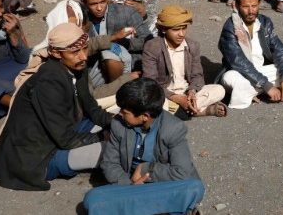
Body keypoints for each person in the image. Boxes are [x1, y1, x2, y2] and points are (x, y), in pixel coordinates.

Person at [0, 23, 112, 191]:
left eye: (84, 49)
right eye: (75, 52)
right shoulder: (48, 83)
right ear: (56, 53)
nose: (83, 57)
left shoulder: (77, 67)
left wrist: (115, 123)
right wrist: (104, 136)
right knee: (113, 149)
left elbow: (91, 108)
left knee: (120, 121)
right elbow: (65, 140)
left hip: (61, 132)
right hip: (36, 155)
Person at [83, 78, 205, 215]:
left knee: (194, 187)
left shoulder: (174, 128)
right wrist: (131, 187)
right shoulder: (118, 125)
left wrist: (146, 169)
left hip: (161, 184)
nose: (119, 114)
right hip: (131, 186)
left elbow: (182, 172)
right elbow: (110, 163)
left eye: (124, 112)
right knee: (92, 199)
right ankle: (168, 209)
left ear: (144, 116)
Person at [217, 0, 283, 109]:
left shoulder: (264, 22)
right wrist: (267, 85)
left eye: (254, 6)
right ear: (236, 6)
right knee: (231, 78)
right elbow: (238, 62)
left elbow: (279, 50)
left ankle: (257, 91)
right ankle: (268, 89)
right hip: (241, 73)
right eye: (246, 6)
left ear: (259, 5)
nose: (251, 11)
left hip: (262, 70)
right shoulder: (230, 27)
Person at [142, 5, 226, 118]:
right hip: (164, 93)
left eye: (184, 28)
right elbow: (150, 81)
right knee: (149, 100)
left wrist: (192, 92)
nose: (181, 34)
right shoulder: (152, 47)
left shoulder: (192, 46)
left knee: (219, 90)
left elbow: (197, 75)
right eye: (176, 29)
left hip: (186, 91)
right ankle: (202, 111)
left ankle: (185, 109)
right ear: (163, 29)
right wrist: (174, 97)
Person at [82, 0, 151, 91]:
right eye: (93, 4)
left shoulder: (126, 13)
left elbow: (148, 41)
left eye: (102, 2)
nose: (99, 8)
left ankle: (117, 92)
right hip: (93, 66)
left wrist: (121, 42)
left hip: (124, 64)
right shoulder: (82, 18)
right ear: (85, 3)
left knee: (110, 55)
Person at [0, 0, 29, 118]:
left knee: (37, 54)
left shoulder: (9, 22)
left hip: (9, 70)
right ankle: (17, 104)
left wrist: (14, 33)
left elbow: (24, 58)